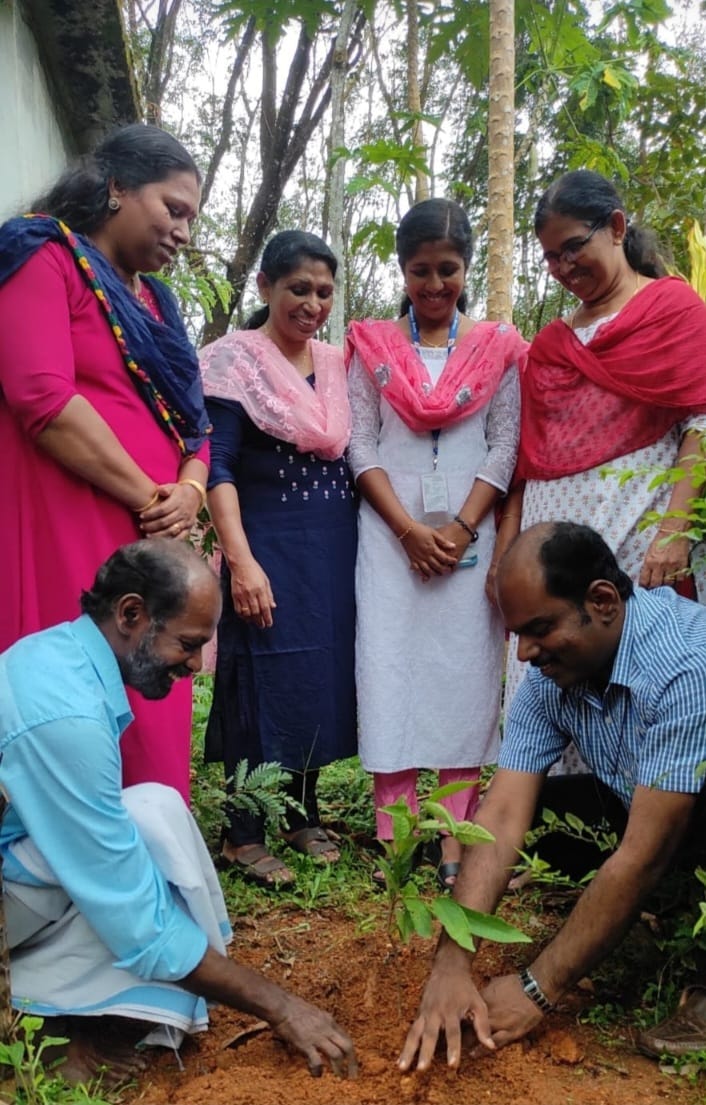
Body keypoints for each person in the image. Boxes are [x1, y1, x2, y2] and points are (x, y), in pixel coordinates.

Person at [0, 539, 357, 1084]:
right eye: (189, 644)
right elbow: (134, 914)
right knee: (126, 872)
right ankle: (37, 1021)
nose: (194, 664)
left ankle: (59, 1004)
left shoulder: (57, 656)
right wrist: (282, 1006)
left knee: (152, 812)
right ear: (131, 614)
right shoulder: (66, 718)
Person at [399, 521, 706, 1072]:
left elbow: (642, 855)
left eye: (539, 629)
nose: (523, 654)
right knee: (540, 813)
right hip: (655, 808)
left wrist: (537, 988)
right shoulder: (549, 678)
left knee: (649, 850)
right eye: (517, 633)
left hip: (684, 819)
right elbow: (503, 815)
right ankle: (648, 911)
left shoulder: (685, 667)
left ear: (603, 601)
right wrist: (451, 963)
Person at [0, 123, 211, 803]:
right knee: (82, 699)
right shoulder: (43, 254)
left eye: (192, 218)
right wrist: (151, 495)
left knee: (156, 690)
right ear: (116, 186)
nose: (182, 230)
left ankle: (149, 859)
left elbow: (196, 424)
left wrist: (189, 488)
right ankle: (70, 882)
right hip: (74, 522)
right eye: (172, 208)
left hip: (156, 538)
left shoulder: (159, 303)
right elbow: (41, 395)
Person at [491, 169, 706, 776]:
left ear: (616, 227)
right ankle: (553, 828)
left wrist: (674, 531)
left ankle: (649, 831)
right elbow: (528, 464)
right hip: (546, 544)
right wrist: (508, 553)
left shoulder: (673, 310)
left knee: (638, 672)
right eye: (550, 258)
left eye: (572, 248)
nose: (561, 268)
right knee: (549, 666)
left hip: (637, 530)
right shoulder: (553, 344)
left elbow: (700, 422)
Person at [345, 198, 526, 888]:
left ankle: (453, 840)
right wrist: (408, 529)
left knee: (462, 680)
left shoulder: (498, 348)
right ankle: (398, 839)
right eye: (420, 270)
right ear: (403, 268)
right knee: (389, 670)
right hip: (389, 535)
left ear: (466, 268)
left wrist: (460, 527)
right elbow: (360, 442)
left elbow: (505, 440)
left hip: (467, 538)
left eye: (447, 269)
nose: (434, 285)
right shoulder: (372, 347)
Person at [199, 230, 357, 886]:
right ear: (265, 286)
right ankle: (242, 833)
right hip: (265, 545)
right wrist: (241, 560)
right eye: (299, 288)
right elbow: (219, 464)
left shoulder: (337, 363)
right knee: (254, 682)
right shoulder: (233, 362)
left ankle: (299, 811)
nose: (313, 303)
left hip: (330, 553)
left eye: (324, 291)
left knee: (314, 680)